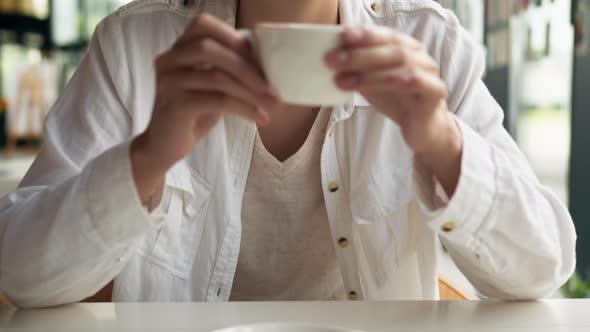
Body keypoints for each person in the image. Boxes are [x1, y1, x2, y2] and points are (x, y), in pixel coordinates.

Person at [0, 0, 576, 308]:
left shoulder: (429, 47)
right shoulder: (135, 50)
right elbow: (22, 275)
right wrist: (149, 156)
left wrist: (442, 140)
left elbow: (545, 267)